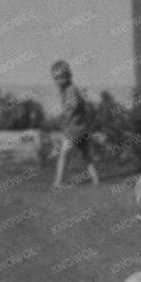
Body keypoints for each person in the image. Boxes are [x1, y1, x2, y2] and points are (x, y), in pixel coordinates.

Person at [51, 60, 103, 188]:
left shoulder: (70, 90)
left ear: (68, 76)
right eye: (56, 78)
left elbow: (72, 108)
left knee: (64, 154)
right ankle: (96, 179)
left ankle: (58, 182)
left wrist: (63, 119)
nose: (58, 81)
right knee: (86, 154)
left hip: (74, 128)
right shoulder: (66, 90)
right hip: (81, 126)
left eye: (61, 77)